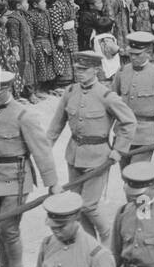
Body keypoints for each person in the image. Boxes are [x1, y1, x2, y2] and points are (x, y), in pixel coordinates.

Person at [0, 69, 60, 267]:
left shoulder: (24, 115)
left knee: (9, 227)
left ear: (8, 90)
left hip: (16, 177)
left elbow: (41, 150)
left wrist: (52, 183)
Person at [45, 49, 136, 242]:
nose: (79, 72)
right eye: (77, 68)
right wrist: (45, 148)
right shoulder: (70, 92)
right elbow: (56, 124)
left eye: (84, 69)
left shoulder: (106, 95)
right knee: (76, 206)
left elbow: (129, 122)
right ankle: (89, 242)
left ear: (95, 70)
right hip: (74, 154)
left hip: (98, 157)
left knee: (89, 205)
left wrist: (119, 150)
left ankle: (108, 238)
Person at [111, 30, 154, 164]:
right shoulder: (122, 71)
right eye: (131, 53)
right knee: (125, 175)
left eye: (137, 54)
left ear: (148, 53)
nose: (133, 57)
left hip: (145, 135)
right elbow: (112, 102)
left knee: (136, 177)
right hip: (123, 133)